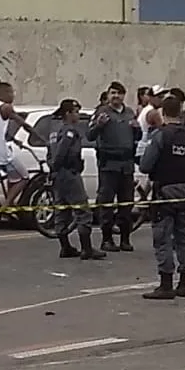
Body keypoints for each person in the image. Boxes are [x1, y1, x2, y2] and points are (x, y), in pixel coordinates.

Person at [140, 95, 185, 300]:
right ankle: (184, 283)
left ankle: (166, 284)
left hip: (165, 192)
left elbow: (145, 165)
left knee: (163, 238)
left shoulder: (162, 135)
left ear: (163, 113)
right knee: (184, 238)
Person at [48, 99, 106, 260]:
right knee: (83, 211)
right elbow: (60, 154)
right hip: (69, 174)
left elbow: (50, 153)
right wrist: (60, 166)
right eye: (76, 112)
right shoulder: (69, 132)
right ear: (68, 113)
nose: (78, 115)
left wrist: (52, 168)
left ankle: (65, 247)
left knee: (61, 210)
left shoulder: (54, 131)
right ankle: (87, 249)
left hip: (58, 176)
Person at [87, 81, 140, 253]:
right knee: (107, 204)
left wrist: (137, 129)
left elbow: (137, 136)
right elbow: (89, 135)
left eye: (119, 93)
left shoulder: (129, 113)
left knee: (126, 203)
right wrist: (99, 125)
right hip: (108, 165)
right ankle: (107, 239)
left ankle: (125, 239)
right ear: (108, 95)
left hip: (126, 165)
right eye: (113, 93)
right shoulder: (101, 112)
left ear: (124, 95)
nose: (116, 96)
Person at [0, 82, 44, 209]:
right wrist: (42, 139)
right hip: (0, 152)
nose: (13, 95)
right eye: (10, 92)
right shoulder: (6, 108)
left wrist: (14, 140)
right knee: (24, 176)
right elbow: (24, 125)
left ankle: (10, 202)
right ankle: (6, 206)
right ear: (3, 94)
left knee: (13, 176)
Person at [135, 86, 167, 164]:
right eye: (159, 97)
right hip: (146, 151)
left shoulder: (146, 109)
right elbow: (164, 131)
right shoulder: (153, 113)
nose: (162, 100)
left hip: (141, 149)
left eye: (163, 97)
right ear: (151, 98)